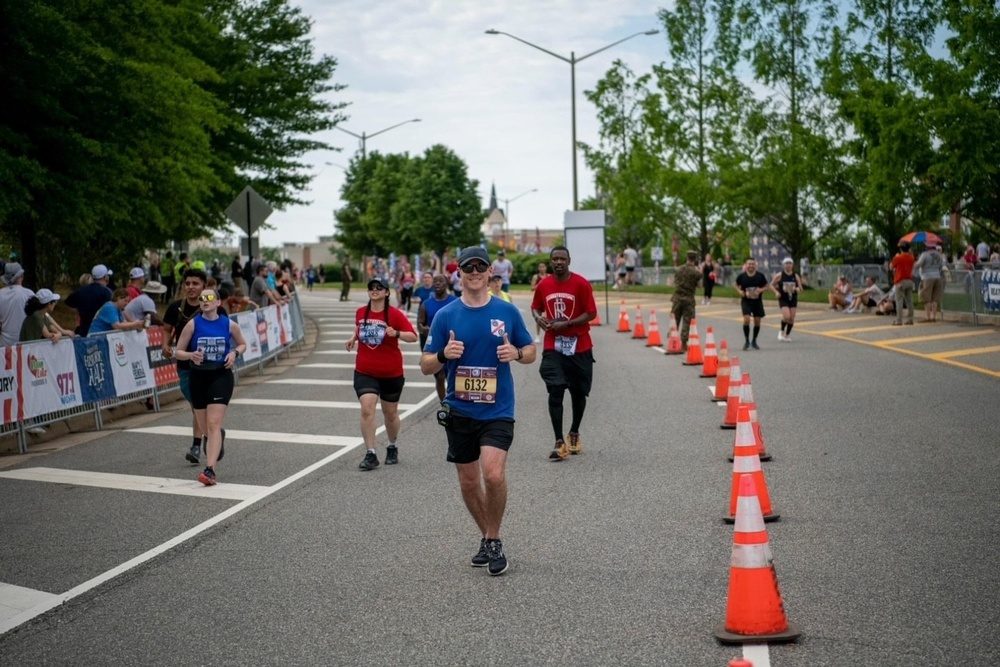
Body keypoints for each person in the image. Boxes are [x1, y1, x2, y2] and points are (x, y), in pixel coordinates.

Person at [420, 247, 536, 576]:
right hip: (459, 410)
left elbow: (531, 351)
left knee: (493, 474)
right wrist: (444, 353)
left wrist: (515, 352)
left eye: (480, 267)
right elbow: (425, 366)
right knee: (470, 482)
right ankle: (487, 536)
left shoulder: (506, 312)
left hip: (498, 409)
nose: (474, 272)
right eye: (468, 267)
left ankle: (494, 539)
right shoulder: (445, 316)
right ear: (460, 274)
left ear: (489, 273)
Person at [173, 287, 248, 486]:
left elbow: (242, 344)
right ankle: (217, 437)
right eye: (202, 298)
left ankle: (210, 470)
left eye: (209, 298)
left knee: (213, 423)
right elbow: (177, 351)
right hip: (198, 376)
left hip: (220, 375)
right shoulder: (192, 325)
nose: (205, 301)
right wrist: (190, 355)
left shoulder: (229, 325)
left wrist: (234, 354)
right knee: (207, 428)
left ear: (217, 303)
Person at [530, 245, 596, 460]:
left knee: (578, 393)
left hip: (580, 346)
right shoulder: (544, 284)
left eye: (562, 259)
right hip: (553, 346)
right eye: (555, 259)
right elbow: (535, 307)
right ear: (551, 262)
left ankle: (574, 432)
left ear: (569, 261)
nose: (559, 262)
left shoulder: (581, 284)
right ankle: (559, 441)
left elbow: (591, 313)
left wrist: (567, 324)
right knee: (555, 390)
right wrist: (538, 317)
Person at [346, 277, 417, 470]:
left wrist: (397, 334)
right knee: (367, 408)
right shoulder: (361, 312)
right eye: (371, 287)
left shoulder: (394, 314)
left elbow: (413, 336)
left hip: (391, 372)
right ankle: (371, 453)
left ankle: (392, 445)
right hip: (365, 370)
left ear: (387, 292)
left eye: (379, 288)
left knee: (390, 413)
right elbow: (360, 325)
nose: (374, 290)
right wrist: (353, 337)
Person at [163, 268, 219, 464]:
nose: (191, 287)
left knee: (198, 403)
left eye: (195, 284)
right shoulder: (175, 308)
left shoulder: (214, 307)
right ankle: (212, 432)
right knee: (195, 403)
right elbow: (167, 328)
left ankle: (199, 443)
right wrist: (165, 344)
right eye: (187, 284)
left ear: (204, 286)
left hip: (210, 366)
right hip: (185, 365)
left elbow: (226, 329)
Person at [417, 274, 458, 402]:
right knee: (440, 376)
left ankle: (455, 402)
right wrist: (423, 329)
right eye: (435, 281)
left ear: (447, 283)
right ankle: (444, 404)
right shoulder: (427, 304)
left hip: (453, 344)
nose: (437, 283)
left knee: (453, 376)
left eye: (441, 281)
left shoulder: (455, 301)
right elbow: (420, 322)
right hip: (436, 346)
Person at [735, 258, 773, 350]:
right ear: (746, 265)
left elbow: (767, 286)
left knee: (757, 321)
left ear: (755, 265)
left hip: (757, 301)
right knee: (746, 319)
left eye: (752, 264)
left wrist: (761, 290)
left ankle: (754, 340)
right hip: (746, 301)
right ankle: (747, 340)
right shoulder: (742, 276)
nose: (751, 266)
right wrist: (739, 291)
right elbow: (735, 284)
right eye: (749, 264)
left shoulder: (760, 276)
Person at [65, 263, 114, 335]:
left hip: (84, 331)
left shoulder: (80, 291)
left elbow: (68, 302)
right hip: (103, 331)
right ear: (105, 277)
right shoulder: (107, 292)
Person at [671, 251, 702, 352]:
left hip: (677, 298)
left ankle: (672, 340)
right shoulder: (696, 273)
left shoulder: (679, 269)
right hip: (688, 299)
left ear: (687, 257)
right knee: (687, 321)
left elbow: (675, 282)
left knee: (674, 319)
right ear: (695, 259)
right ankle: (684, 343)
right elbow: (700, 286)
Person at [0, 262, 35, 347]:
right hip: (25, 344)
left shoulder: (0, 294)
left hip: (4, 345)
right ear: (21, 276)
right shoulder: (29, 294)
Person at [771, 257, 803, 341]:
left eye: (790, 263)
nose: (788, 265)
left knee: (792, 318)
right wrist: (776, 292)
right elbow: (771, 285)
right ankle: (781, 331)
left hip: (793, 298)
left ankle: (787, 334)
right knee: (786, 316)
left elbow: (800, 288)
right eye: (786, 263)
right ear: (783, 265)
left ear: (792, 265)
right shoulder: (780, 275)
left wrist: (797, 289)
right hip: (783, 298)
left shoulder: (795, 276)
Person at [913, 244, 946, 322]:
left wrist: (914, 263)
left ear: (927, 247)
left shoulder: (924, 254)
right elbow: (941, 265)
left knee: (926, 298)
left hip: (927, 277)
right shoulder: (939, 255)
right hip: (937, 276)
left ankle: (928, 317)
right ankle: (933, 317)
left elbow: (918, 265)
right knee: (935, 298)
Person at [890, 241, 916, 325]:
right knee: (909, 301)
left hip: (900, 281)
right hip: (909, 280)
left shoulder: (898, 257)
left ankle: (899, 320)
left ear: (901, 248)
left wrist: (895, 257)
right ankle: (910, 319)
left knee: (899, 301)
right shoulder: (912, 257)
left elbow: (891, 267)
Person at [529, 261, 549, 341]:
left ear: (546, 268)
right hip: (539, 298)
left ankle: (549, 333)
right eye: (540, 267)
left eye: (543, 267)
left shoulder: (549, 276)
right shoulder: (536, 277)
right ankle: (537, 335)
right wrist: (540, 284)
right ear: (538, 268)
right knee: (539, 317)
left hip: (547, 298)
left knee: (549, 317)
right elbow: (532, 288)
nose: (542, 268)